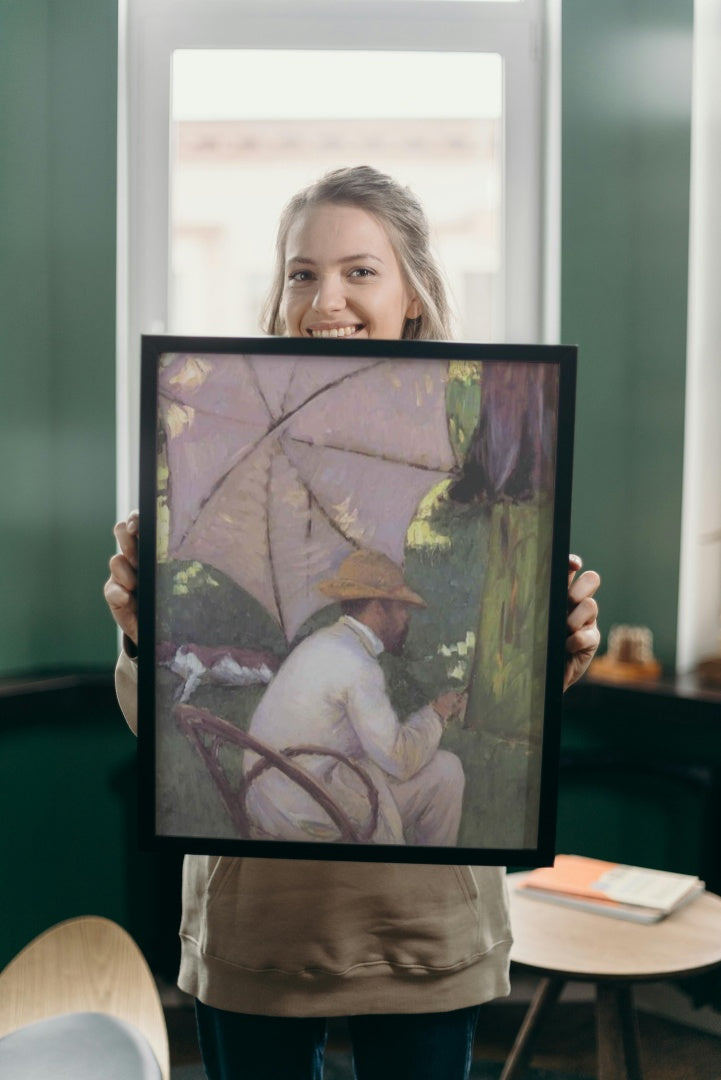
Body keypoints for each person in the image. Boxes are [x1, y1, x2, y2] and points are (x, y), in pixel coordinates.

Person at [105, 166, 601, 1080]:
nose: (324, 297)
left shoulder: (476, 430)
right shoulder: (213, 441)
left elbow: (523, 714)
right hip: (262, 924)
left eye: (359, 271)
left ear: (413, 292)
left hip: (419, 929)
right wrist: (141, 632)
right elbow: (161, 734)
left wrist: (555, 653)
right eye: (301, 273)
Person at [244, 549, 467, 846]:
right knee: (447, 772)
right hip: (306, 816)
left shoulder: (320, 643)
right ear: (377, 609)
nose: (406, 617)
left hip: (267, 799)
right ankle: (426, 874)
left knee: (395, 772)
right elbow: (399, 760)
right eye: (401, 607)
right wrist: (437, 714)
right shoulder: (358, 664)